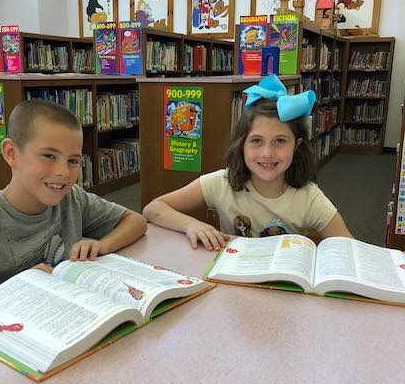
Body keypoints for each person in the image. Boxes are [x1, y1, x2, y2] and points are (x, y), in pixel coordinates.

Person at [0, 100, 147, 335]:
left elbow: (136, 221)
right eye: (49, 156)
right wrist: (11, 298)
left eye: (73, 160)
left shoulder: (72, 198)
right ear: (11, 153)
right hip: (3, 344)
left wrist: (102, 245)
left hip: (60, 326)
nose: (63, 172)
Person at [143, 74, 352, 251]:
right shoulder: (221, 183)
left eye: (280, 141)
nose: (267, 153)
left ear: (296, 146)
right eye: (256, 141)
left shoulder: (309, 198)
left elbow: (349, 248)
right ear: (241, 145)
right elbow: (152, 209)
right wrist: (190, 224)